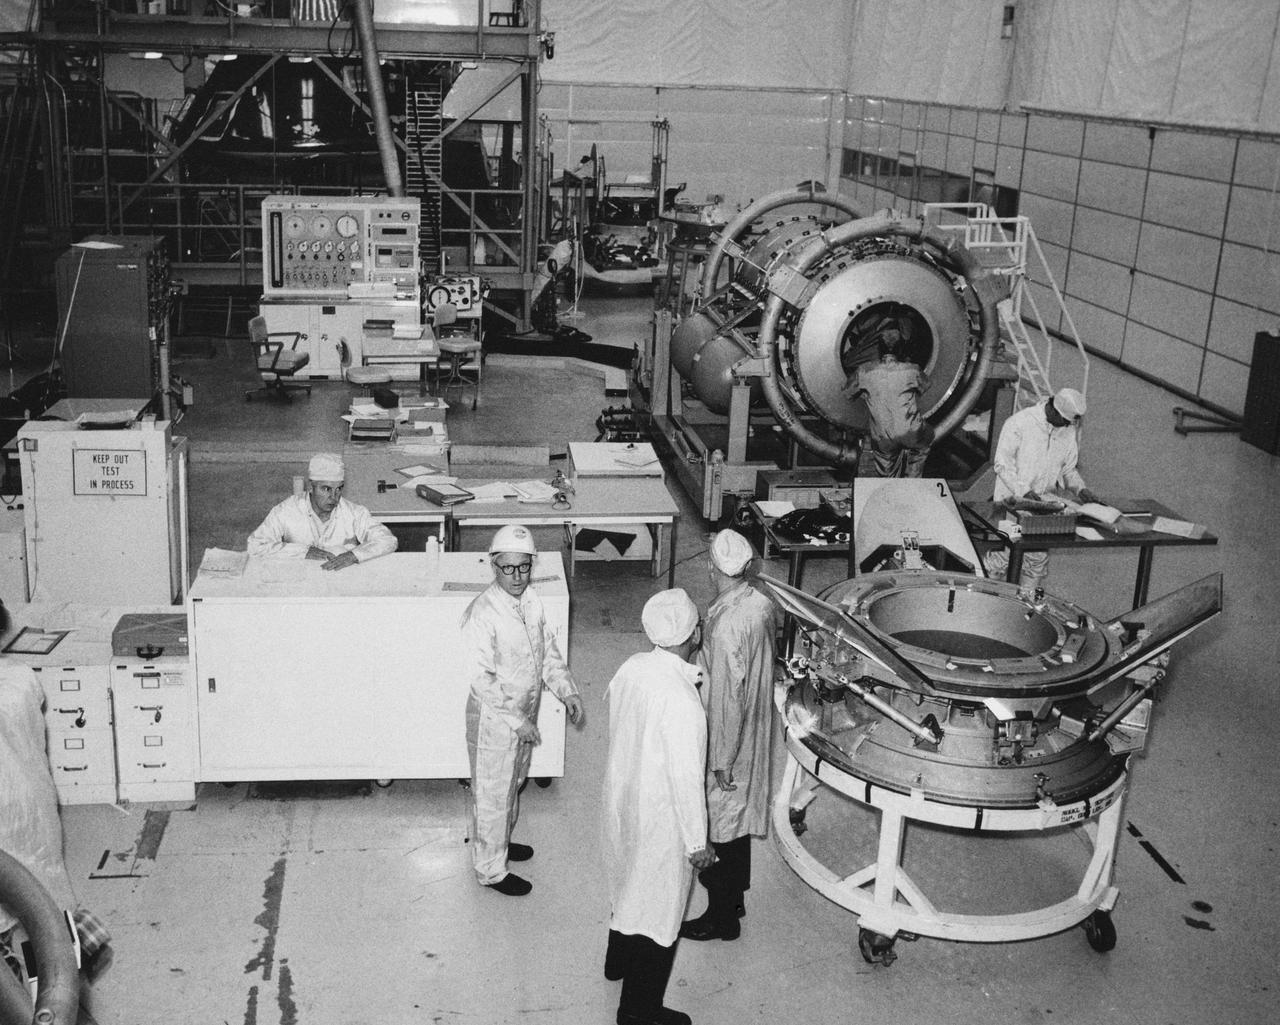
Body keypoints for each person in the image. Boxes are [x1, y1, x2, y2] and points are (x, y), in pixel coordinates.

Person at [602, 589, 714, 1025]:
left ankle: (616, 961)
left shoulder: (632, 667)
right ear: (695, 635)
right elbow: (686, 780)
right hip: (661, 817)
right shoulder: (683, 701)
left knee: (626, 882)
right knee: (659, 909)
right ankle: (638, 1011)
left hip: (623, 798)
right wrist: (697, 842)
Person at [460, 524, 584, 896]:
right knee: (493, 796)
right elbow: (480, 680)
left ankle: (500, 843)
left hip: (523, 715)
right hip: (495, 721)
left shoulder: (531, 601)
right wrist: (517, 722)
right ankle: (490, 870)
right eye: (508, 568)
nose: (517, 577)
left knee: (513, 784)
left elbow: (547, 653)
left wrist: (567, 690)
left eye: (524, 567)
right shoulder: (482, 613)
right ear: (493, 566)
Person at [680, 529, 777, 943]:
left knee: (720, 827)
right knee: (737, 825)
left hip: (730, 740)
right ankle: (734, 900)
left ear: (710, 566)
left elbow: (726, 700)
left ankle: (721, 919)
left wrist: (720, 759)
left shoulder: (724, 629)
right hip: (754, 728)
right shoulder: (760, 603)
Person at [985, 387, 1103, 590]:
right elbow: (1002, 464)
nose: (1067, 426)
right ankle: (987, 602)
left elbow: (1068, 470)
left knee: (1036, 561)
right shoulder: (1020, 422)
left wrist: (1081, 489)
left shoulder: (1067, 431)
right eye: (1065, 421)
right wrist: (1023, 491)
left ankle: (1026, 605)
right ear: (1054, 410)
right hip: (1011, 504)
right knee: (1002, 558)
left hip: (1042, 508)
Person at [247, 452, 397, 571]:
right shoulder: (286, 510)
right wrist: (302, 551)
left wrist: (354, 555)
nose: (334, 497)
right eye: (326, 489)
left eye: (339, 489)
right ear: (310, 487)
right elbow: (255, 545)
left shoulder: (354, 512)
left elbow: (388, 540)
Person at [844, 316, 934, 477]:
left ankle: (888, 483)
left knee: (886, 466)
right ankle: (912, 482)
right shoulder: (913, 369)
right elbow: (926, 388)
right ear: (901, 349)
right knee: (923, 445)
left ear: (879, 349)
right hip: (911, 433)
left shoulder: (864, 370)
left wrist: (868, 393)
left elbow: (847, 393)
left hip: (882, 437)